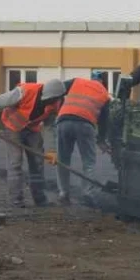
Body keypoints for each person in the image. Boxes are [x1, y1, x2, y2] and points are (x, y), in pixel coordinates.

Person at [0, 77, 67, 208]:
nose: (52, 102)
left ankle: (40, 199)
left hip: (32, 129)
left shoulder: (56, 103)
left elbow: (49, 127)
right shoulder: (24, 92)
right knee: (15, 163)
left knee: (37, 163)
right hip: (12, 127)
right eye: (51, 100)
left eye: (55, 100)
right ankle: (16, 200)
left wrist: (52, 150)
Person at [55, 72, 113, 207]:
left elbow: (57, 89)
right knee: (88, 162)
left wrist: (57, 108)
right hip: (85, 125)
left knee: (62, 160)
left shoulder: (77, 81)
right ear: (103, 83)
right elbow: (104, 121)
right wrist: (101, 141)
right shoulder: (104, 94)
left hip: (63, 121)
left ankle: (63, 193)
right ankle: (87, 193)